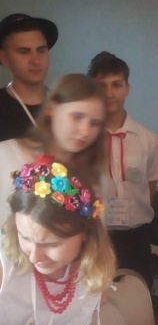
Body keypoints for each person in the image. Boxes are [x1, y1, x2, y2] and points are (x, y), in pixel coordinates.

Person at [0, 156, 116, 325]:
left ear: (85, 234)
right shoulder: (6, 265)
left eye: (51, 244)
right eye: (25, 237)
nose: (34, 255)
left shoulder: (90, 278)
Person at [87, 51, 158, 286]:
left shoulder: (147, 139)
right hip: (96, 237)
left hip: (136, 238)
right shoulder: (84, 139)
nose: (109, 93)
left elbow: (150, 189)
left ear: (127, 88)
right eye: (101, 86)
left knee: (138, 297)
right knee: (97, 299)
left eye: (116, 85)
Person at [0, 74, 108, 228]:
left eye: (95, 123)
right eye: (77, 117)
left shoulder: (94, 174)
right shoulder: (6, 154)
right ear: (51, 109)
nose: (85, 131)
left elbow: (98, 233)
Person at [0, 12, 59, 141]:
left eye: (41, 50)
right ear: (4, 58)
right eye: (24, 52)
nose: (36, 60)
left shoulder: (64, 104)